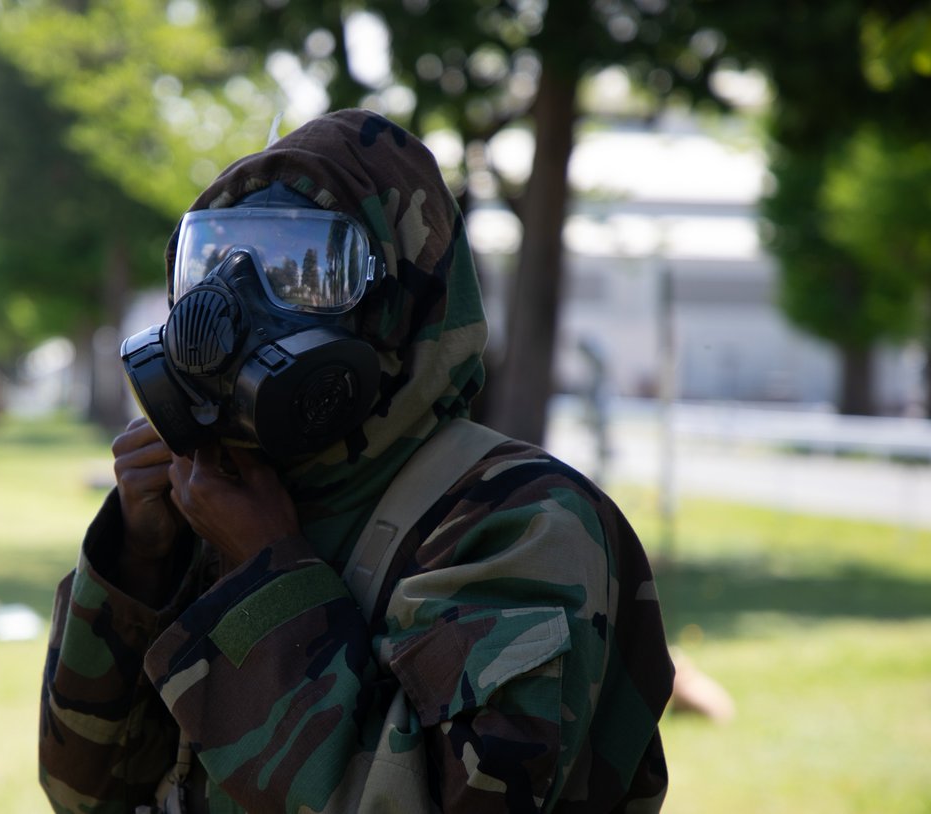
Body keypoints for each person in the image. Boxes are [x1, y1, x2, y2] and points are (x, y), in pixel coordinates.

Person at [38, 109, 674, 814]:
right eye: (212, 265)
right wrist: (136, 563)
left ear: (399, 300)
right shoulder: (217, 493)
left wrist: (264, 575)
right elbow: (83, 791)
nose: (233, 305)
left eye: (301, 274)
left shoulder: (518, 521)